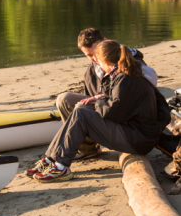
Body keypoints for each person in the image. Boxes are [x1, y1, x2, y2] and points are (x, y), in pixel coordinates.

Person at [27, 40, 171, 182]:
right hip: (136, 132)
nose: (98, 66)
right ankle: (50, 159)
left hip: (138, 139)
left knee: (81, 113)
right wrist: (99, 98)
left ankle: (60, 166)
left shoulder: (125, 78)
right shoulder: (126, 73)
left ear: (106, 62)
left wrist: (100, 100)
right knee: (82, 108)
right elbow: (119, 102)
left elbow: (112, 112)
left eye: (99, 62)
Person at [56, 28, 159, 160]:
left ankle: (59, 160)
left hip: (124, 121)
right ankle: (87, 149)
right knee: (64, 99)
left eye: (95, 53)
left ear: (105, 42)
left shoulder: (130, 67)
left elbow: (119, 106)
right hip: (106, 109)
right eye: (88, 55)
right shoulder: (91, 71)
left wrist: (99, 103)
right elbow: (91, 97)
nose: (94, 59)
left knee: (81, 109)